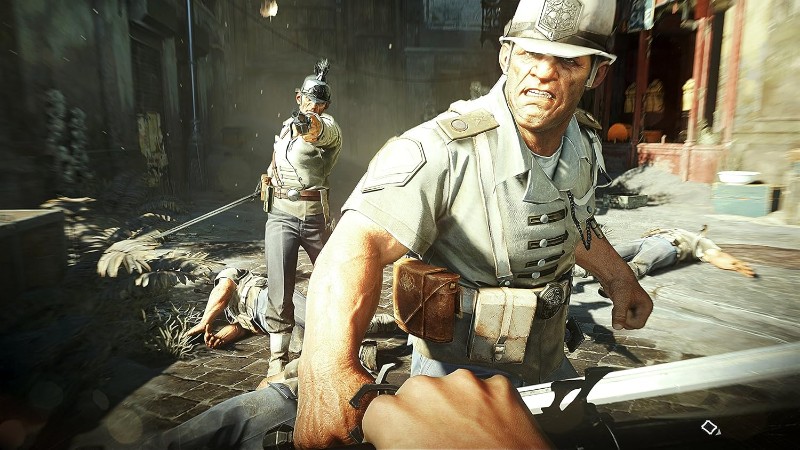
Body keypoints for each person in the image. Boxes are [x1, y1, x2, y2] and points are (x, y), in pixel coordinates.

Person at [296, 0, 654, 447]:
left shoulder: (580, 140)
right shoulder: (442, 148)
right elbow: (355, 242)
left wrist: (619, 278)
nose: (544, 72)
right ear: (506, 55)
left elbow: (576, 219)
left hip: (546, 362)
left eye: (568, 61)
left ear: (596, 74)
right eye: (530, 53)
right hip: (457, 373)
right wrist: (327, 370)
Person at [264, 58, 342, 377]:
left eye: (321, 104)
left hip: (313, 217)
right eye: (310, 100)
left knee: (331, 280)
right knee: (279, 286)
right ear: (299, 98)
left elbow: (320, 132)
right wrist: (269, 177)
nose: (315, 107)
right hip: (280, 214)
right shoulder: (286, 127)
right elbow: (279, 161)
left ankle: (336, 345)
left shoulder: (328, 127)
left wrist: (310, 123)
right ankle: (278, 357)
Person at [572, 226, 757, 279]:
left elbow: (716, 255)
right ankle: (577, 270)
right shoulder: (669, 229)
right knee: (608, 254)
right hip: (645, 241)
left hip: (669, 246)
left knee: (640, 264)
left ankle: (618, 283)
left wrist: (735, 264)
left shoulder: (701, 241)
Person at [185, 267, 273, 349]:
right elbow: (241, 328)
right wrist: (219, 338)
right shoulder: (231, 314)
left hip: (267, 299)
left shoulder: (232, 275)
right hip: (271, 324)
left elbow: (224, 289)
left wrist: (204, 322)